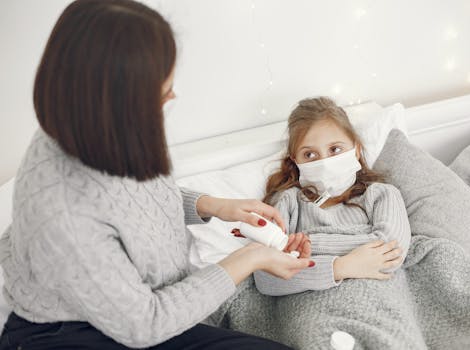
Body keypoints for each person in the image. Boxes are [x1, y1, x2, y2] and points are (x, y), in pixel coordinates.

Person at [0, 0, 314, 349]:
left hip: (125, 308)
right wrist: (248, 259)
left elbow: (128, 203)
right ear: (117, 100)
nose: (172, 94)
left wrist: (214, 206)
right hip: (71, 333)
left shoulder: (95, 129)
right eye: (162, 90)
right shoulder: (65, 211)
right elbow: (145, 323)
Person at [250, 97, 411, 296]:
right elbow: (264, 276)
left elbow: (391, 253)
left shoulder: (382, 195)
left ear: (356, 149)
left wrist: (301, 244)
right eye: (310, 155)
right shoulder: (288, 202)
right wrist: (340, 267)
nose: (325, 162)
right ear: (295, 161)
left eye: (335, 149)